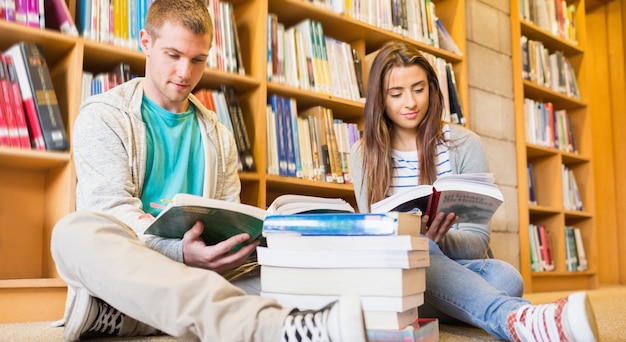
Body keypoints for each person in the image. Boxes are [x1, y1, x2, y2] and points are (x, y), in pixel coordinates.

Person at [50, 0, 367, 341]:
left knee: (301, 272)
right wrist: (178, 252)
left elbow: (225, 219)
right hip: (132, 267)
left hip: (210, 274)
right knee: (72, 233)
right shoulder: (103, 117)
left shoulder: (219, 135)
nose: (185, 73)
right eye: (173, 55)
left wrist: (242, 242)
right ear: (146, 42)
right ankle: (274, 328)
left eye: (198, 59)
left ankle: (129, 317)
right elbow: (112, 212)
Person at [349, 40, 599, 342]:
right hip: (399, 279)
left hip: (453, 271)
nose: (410, 103)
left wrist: (438, 241)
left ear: (432, 88)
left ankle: (471, 304)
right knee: (416, 250)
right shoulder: (364, 154)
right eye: (396, 94)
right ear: (380, 98)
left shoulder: (464, 144)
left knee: (507, 277)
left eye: (418, 89)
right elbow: (369, 242)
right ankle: (518, 319)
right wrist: (420, 245)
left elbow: (477, 243)